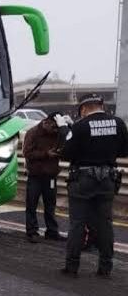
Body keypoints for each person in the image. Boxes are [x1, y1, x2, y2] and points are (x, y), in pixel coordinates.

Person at [59, 93, 127, 278]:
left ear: (83, 108)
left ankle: (72, 267)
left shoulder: (80, 126)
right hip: (107, 179)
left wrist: (65, 131)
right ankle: (105, 267)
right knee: (105, 224)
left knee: (78, 223)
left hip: (83, 179)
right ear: (101, 105)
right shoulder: (119, 123)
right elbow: (124, 150)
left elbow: (66, 154)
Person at [22, 112, 64, 243]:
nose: (55, 131)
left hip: (51, 175)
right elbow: (27, 153)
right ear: (47, 122)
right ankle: (32, 231)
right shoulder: (33, 133)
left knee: (50, 204)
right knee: (32, 204)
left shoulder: (57, 133)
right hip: (35, 175)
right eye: (53, 128)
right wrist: (46, 154)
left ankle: (52, 231)